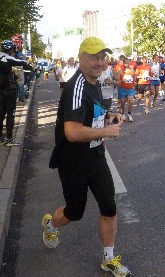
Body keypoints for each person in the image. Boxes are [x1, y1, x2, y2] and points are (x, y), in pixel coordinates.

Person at [42, 37, 131, 276]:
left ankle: (108, 258)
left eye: (103, 57)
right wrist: (107, 132)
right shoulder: (76, 86)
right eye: (93, 57)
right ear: (81, 57)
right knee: (75, 212)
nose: (99, 62)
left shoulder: (96, 82)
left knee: (109, 206)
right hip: (73, 162)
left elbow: (95, 110)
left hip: (96, 156)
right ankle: (51, 224)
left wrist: (109, 115)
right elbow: (71, 132)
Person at [0, 40, 27, 146]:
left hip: (0, 90)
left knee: (0, 114)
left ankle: (0, 138)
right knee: (10, 114)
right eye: (13, 49)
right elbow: (22, 63)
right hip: (9, 90)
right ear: (10, 49)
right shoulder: (8, 58)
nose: (13, 51)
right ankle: (9, 139)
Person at [113, 56, 135, 121]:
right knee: (122, 103)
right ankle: (122, 114)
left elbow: (134, 78)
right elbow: (117, 78)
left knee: (130, 101)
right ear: (123, 63)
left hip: (130, 88)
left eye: (128, 63)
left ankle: (129, 114)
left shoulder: (132, 70)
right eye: (126, 63)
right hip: (122, 88)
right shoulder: (120, 70)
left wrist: (134, 83)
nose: (127, 64)